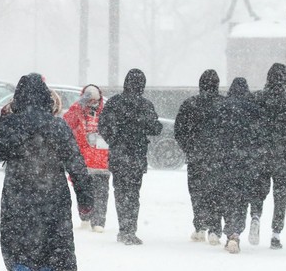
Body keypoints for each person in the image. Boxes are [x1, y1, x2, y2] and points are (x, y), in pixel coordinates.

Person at [0, 73, 93, 271]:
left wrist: (7, 121)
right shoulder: (58, 126)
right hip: (52, 196)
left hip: (18, 194)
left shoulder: (11, 124)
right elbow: (76, 164)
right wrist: (85, 198)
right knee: (50, 253)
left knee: (19, 245)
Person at [98, 68, 162, 245]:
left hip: (118, 154)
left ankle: (123, 229)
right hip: (137, 154)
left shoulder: (114, 102)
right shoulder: (145, 105)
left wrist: (114, 139)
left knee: (120, 192)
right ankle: (130, 230)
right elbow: (155, 128)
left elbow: (103, 125)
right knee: (133, 193)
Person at [174, 70, 224, 245]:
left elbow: (179, 131)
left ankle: (200, 226)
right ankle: (215, 229)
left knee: (197, 192)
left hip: (196, 156)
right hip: (218, 157)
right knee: (216, 192)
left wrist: (189, 148)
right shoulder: (224, 105)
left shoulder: (190, 104)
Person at [216, 78, 264, 254]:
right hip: (246, 160)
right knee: (242, 198)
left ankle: (229, 232)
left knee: (227, 196)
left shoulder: (222, 107)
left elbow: (216, 133)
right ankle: (236, 232)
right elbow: (259, 136)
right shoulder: (254, 110)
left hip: (226, 159)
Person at [251, 63, 286, 249]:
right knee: (280, 196)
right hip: (281, 157)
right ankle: (276, 234)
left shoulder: (256, 98)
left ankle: (255, 215)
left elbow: (248, 126)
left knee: (258, 190)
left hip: (259, 155)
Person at [63, 84, 110, 233]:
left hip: (101, 159)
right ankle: (85, 217)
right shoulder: (77, 110)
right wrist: (78, 106)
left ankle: (98, 221)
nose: (91, 103)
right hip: (83, 158)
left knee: (101, 191)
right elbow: (66, 124)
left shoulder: (106, 111)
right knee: (83, 190)